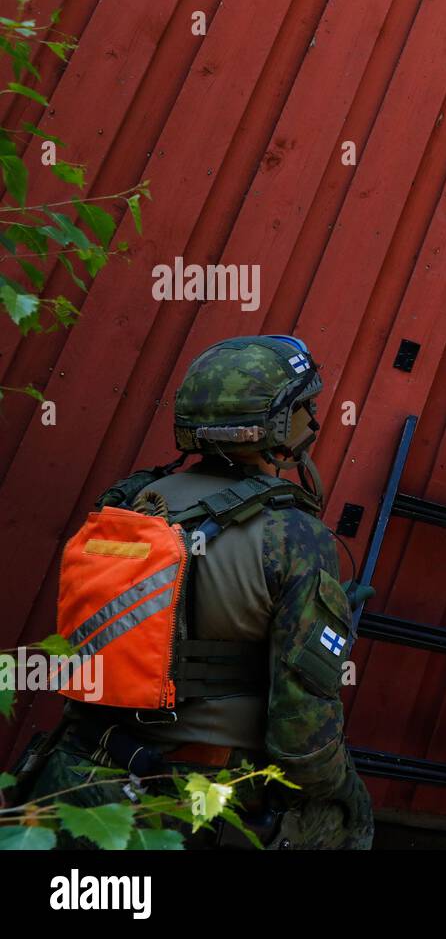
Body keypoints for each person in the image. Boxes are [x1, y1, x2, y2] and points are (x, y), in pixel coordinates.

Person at [16, 335, 373, 849]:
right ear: (272, 424)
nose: (314, 422)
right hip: (184, 803)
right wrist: (343, 794)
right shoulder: (293, 536)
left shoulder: (132, 502)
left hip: (69, 779)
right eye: (304, 408)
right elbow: (301, 735)